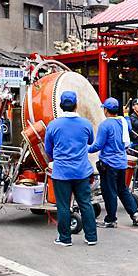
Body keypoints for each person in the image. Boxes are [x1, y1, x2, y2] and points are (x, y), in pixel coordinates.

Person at [44, 91, 97, 247]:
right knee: (85, 204)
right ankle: (91, 237)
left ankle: (65, 238)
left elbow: (48, 149)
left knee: (63, 206)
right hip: (82, 171)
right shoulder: (86, 124)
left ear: (61, 105)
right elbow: (90, 142)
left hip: (61, 173)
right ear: (76, 105)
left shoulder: (53, 125)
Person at [89, 97, 138, 228]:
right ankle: (135, 213)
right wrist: (125, 114)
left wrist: (85, 148)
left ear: (106, 110)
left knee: (109, 191)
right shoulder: (123, 121)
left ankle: (111, 219)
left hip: (109, 164)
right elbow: (129, 127)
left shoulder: (105, 125)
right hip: (122, 162)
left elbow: (98, 145)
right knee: (123, 189)